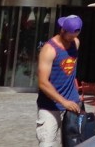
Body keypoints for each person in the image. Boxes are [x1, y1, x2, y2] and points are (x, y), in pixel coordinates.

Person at [36, 14, 83, 147]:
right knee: (47, 144)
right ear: (62, 30)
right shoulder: (49, 49)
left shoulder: (76, 43)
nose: (72, 39)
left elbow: (70, 72)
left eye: (75, 35)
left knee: (73, 143)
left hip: (72, 104)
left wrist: (75, 96)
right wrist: (63, 101)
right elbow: (43, 82)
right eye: (70, 36)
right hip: (50, 106)